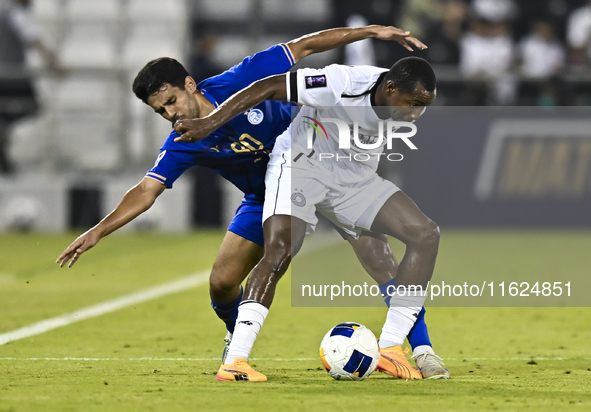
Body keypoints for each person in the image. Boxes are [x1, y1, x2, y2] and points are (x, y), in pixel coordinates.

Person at [55, 25, 443, 378]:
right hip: (269, 193)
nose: (170, 114)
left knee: (382, 255)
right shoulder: (184, 139)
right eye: (161, 111)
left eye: (171, 101)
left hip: (321, 160)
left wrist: (371, 31)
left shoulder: (240, 78)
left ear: (190, 84)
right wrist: (99, 230)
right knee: (223, 283)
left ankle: (419, 348)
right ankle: (236, 337)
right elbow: (146, 190)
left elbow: (305, 46)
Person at [174, 56, 447, 381]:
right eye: (413, 103)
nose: (416, 113)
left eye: (423, 105)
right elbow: (270, 86)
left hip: (352, 178)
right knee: (280, 250)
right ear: (389, 87)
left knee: (423, 234)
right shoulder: (342, 83)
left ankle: (390, 346)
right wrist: (211, 121)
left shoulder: (400, 101)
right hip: (301, 166)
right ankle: (235, 361)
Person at [0, 0, 66, 174]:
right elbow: (33, 40)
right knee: (33, 107)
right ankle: (3, 125)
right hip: (12, 76)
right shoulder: (15, 13)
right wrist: (55, 63)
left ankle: (3, 130)